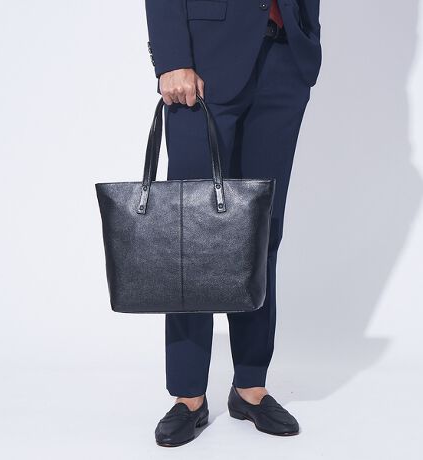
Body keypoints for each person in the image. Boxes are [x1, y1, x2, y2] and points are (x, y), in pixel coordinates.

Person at [145, 0, 322, 447]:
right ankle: (188, 394)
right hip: (202, 61)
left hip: (284, 56)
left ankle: (250, 385)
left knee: (262, 230)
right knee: (191, 232)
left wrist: (305, 32)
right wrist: (172, 58)